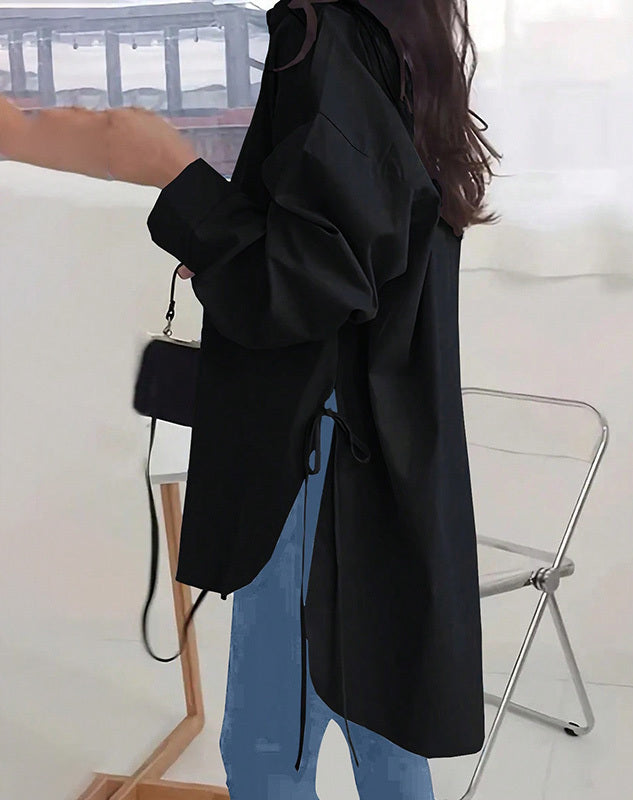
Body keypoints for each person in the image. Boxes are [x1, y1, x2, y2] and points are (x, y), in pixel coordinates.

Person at [1, 0, 502, 796]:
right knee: (381, 726)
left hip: (319, 451)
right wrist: (233, 237)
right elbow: (352, 247)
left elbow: (305, 286)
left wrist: (175, 175)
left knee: (269, 752)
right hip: (378, 442)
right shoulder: (401, 34)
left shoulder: (325, 32)